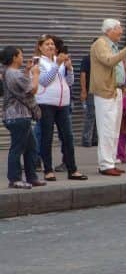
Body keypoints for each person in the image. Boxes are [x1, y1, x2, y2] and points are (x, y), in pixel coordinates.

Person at [90, 19, 126, 176]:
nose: (121, 32)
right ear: (109, 30)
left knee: (114, 129)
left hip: (116, 91)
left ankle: (110, 161)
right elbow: (109, 61)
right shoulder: (100, 44)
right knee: (106, 128)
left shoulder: (112, 45)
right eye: (119, 29)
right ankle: (105, 164)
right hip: (106, 91)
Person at [34, 35, 86, 181]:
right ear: (40, 47)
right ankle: (48, 170)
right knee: (47, 137)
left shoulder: (59, 61)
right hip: (46, 104)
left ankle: (72, 169)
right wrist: (57, 65)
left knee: (68, 137)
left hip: (63, 104)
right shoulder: (38, 61)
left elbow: (69, 82)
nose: (50, 46)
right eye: (46, 44)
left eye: (52, 44)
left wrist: (69, 69)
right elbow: (44, 81)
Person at [1, 47, 44, 190]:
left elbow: (21, 86)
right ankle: (15, 179)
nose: (22, 58)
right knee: (17, 148)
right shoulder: (13, 73)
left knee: (31, 147)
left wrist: (27, 71)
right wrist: (35, 74)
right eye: (20, 55)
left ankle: (32, 177)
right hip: (18, 116)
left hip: (17, 116)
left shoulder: (10, 73)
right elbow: (32, 89)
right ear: (14, 58)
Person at [78, 40, 97, 147]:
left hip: (100, 91)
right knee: (90, 115)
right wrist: (84, 90)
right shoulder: (87, 59)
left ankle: (95, 139)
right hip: (91, 91)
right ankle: (86, 140)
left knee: (98, 116)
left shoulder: (101, 59)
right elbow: (83, 75)